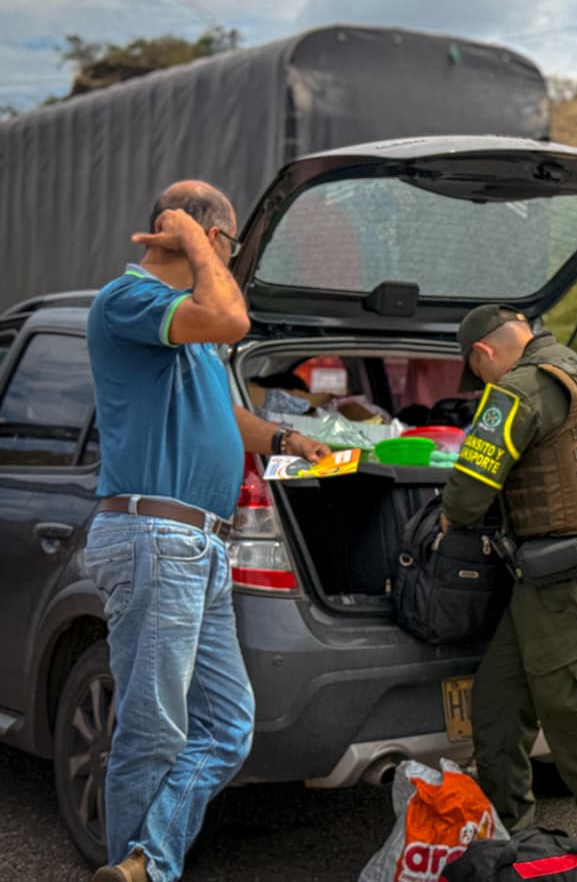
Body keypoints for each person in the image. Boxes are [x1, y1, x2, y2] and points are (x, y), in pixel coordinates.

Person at [85, 181, 329, 882]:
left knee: (226, 728)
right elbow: (231, 318)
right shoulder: (128, 301)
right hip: (155, 538)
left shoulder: (187, 328)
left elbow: (229, 419)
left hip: (201, 548)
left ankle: (143, 863)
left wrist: (288, 435)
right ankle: (138, 870)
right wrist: (192, 240)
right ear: (212, 242)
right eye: (227, 248)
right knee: (154, 730)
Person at [440, 304, 577, 882]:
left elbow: (465, 496)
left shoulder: (520, 389)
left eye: (477, 373)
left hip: (568, 581)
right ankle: (515, 843)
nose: (483, 383)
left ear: (483, 353)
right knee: (498, 705)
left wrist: (446, 517)